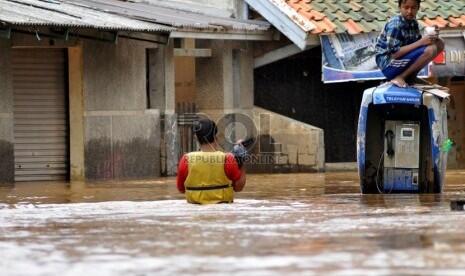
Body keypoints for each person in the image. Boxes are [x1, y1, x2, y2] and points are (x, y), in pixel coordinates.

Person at [375, 0, 444, 88]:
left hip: (400, 61)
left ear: (418, 8)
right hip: (388, 65)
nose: (410, 11)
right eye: (406, 7)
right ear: (400, 7)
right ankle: (400, 77)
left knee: (440, 43)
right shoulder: (395, 24)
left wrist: (433, 36)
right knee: (430, 50)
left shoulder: (413, 23)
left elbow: (418, 48)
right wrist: (421, 42)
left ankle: (411, 77)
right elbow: (394, 54)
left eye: (413, 8)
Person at [176, 118, 246, 204]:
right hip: (223, 210)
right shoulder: (228, 159)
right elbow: (239, 188)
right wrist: (241, 161)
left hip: (195, 211)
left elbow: (181, 189)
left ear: (196, 138)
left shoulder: (186, 159)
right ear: (215, 136)